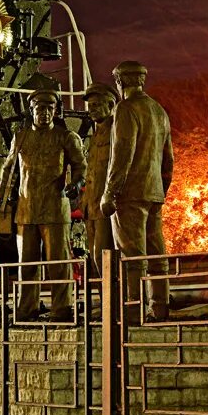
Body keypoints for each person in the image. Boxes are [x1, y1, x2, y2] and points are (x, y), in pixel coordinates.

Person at [0, 88, 86, 321]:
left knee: (59, 263)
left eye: (49, 109)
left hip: (56, 208)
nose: (44, 113)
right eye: (39, 109)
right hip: (26, 210)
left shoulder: (66, 137)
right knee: (27, 265)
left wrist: (75, 184)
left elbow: (81, 167)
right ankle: (26, 310)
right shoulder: (21, 137)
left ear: (55, 112)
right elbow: (9, 172)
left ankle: (62, 308)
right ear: (32, 111)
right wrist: (1, 200)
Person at [100, 61, 173, 322]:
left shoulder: (125, 108)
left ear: (120, 83)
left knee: (133, 255)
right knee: (157, 253)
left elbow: (122, 154)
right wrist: (161, 189)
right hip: (153, 192)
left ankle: (134, 311)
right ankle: (160, 307)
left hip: (130, 193)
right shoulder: (159, 111)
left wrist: (110, 192)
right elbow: (169, 160)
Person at [80, 82, 118, 280]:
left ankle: (114, 304)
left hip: (105, 206)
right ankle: (108, 305)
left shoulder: (117, 132)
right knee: (96, 257)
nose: (91, 109)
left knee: (105, 256)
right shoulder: (95, 135)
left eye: (96, 105)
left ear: (110, 105)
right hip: (91, 206)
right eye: (90, 105)